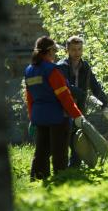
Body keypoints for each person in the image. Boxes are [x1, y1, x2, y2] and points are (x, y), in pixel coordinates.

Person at [24, 36, 86, 180]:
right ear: (49, 51)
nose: (55, 54)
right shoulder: (52, 70)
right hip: (58, 117)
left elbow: (30, 98)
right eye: (54, 50)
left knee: (41, 151)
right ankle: (61, 179)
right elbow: (64, 96)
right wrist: (77, 115)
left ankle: (38, 178)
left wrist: (32, 117)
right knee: (59, 152)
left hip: (39, 117)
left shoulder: (29, 70)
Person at [56, 36, 108, 167]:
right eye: (73, 50)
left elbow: (95, 86)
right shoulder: (61, 67)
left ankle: (74, 167)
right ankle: (61, 170)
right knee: (63, 140)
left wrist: (105, 104)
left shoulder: (85, 66)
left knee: (78, 139)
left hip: (78, 109)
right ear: (67, 50)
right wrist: (83, 95)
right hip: (63, 109)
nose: (77, 53)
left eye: (79, 49)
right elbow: (65, 88)